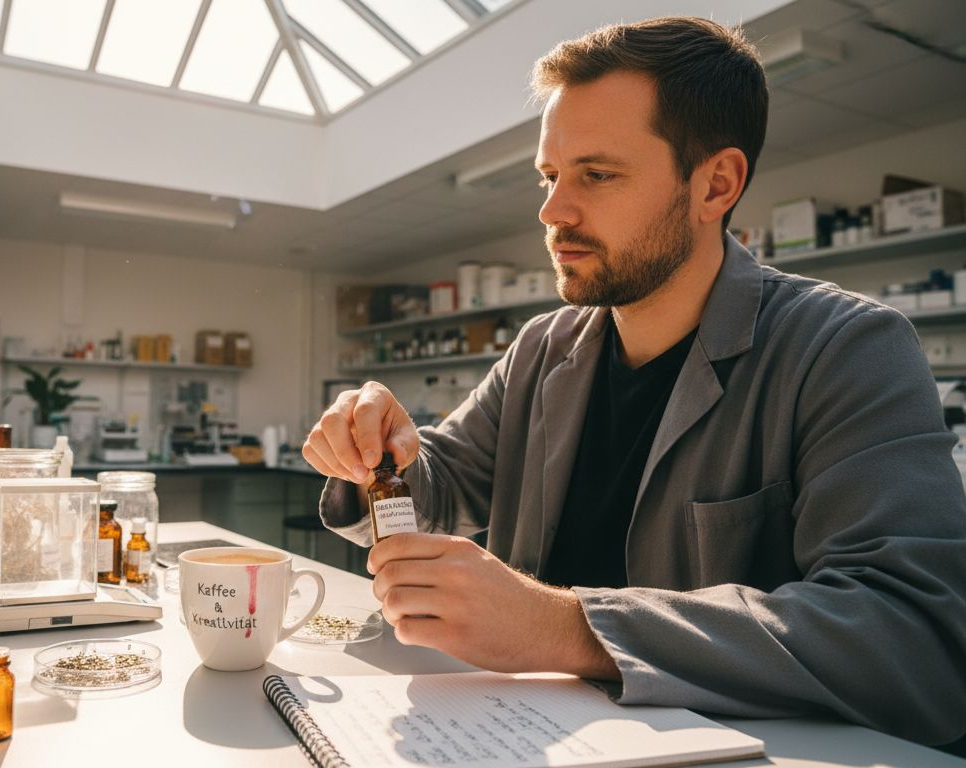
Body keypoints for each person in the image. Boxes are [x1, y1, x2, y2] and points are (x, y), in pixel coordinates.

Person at [303, 16, 966, 749]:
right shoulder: (541, 349)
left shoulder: (845, 348)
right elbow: (441, 490)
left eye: (597, 174)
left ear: (716, 184)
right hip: (523, 739)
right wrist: (378, 454)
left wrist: (563, 627)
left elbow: (917, 635)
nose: (552, 212)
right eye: (550, 177)